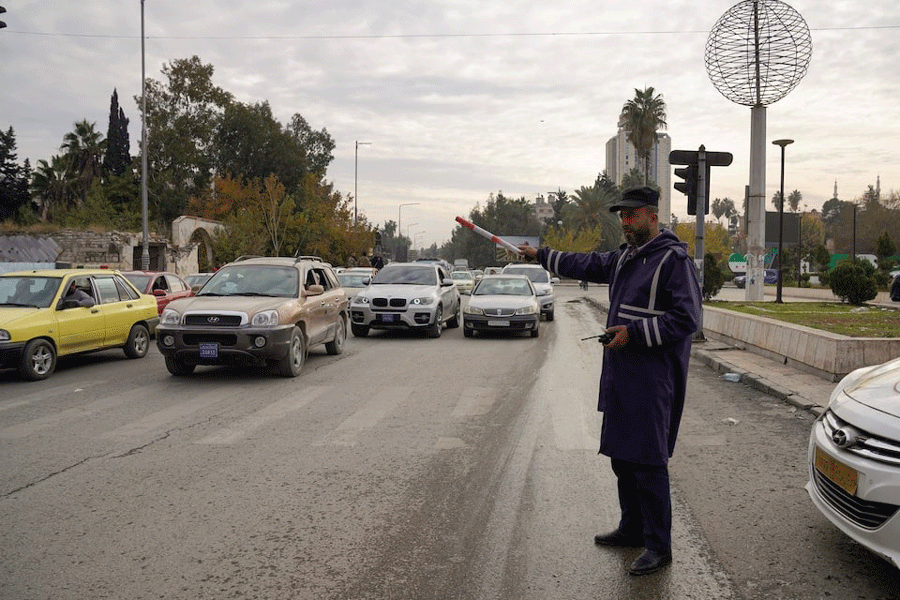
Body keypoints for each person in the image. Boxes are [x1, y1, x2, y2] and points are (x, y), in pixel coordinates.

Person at [518, 186, 701, 576]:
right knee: (622, 457)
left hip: (652, 381)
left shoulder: (673, 260)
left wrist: (632, 333)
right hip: (620, 376)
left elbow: (687, 320)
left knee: (648, 463)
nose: (624, 221)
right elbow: (585, 264)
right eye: (621, 215)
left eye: (631, 215)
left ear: (652, 217)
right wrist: (541, 254)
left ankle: (658, 545)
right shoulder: (624, 258)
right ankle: (632, 528)